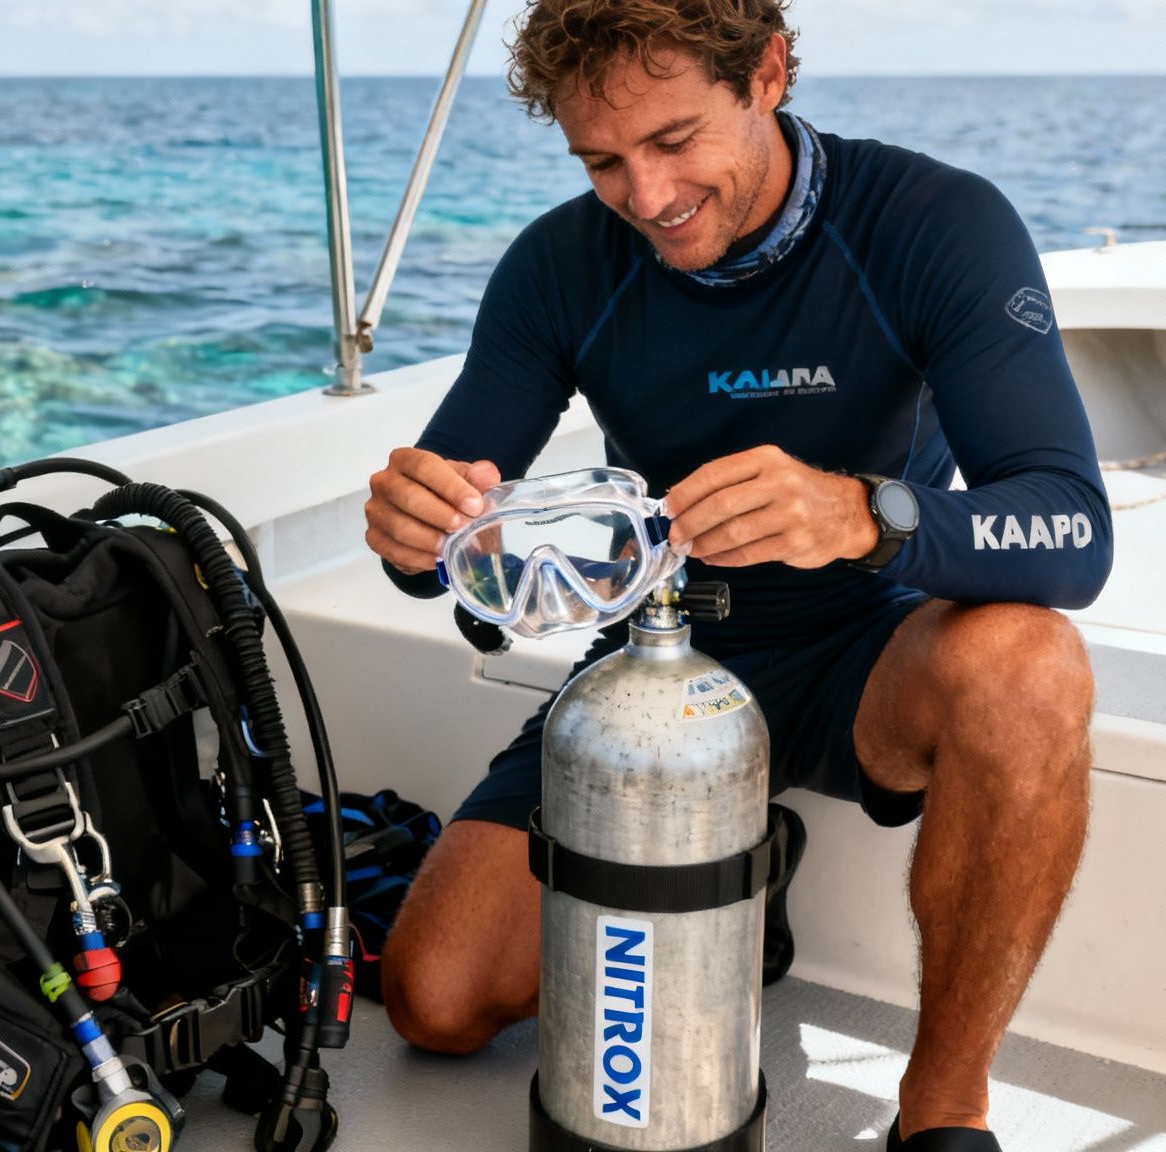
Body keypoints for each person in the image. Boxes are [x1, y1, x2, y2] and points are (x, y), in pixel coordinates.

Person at [361, 1, 1113, 1148]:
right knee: (437, 1003)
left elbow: (1069, 531)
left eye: (671, 142)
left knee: (1028, 663)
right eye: (601, 161)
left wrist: (864, 515)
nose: (645, 198)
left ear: (765, 73)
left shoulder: (931, 222)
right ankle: (745, 874)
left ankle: (941, 1106)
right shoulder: (560, 265)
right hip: (661, 662)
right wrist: (416, 537)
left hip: (873, 649)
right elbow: (455, 526)